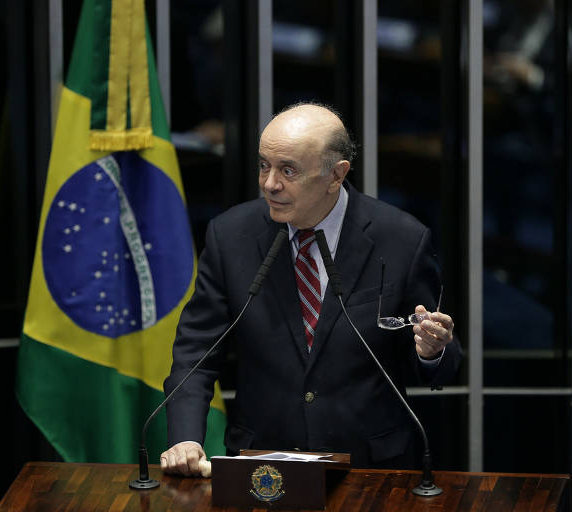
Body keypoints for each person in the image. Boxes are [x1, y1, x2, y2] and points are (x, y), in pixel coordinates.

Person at [160, 103, 461, 476]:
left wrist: (432, 350)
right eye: (264, 165)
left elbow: (441, 364)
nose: (270, 183)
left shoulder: (400, 240)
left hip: (370, 468)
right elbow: (196, 352)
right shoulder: (230, 236)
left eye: (288, 171)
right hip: (263, 465)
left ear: (336, 175)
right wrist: (186, 437)